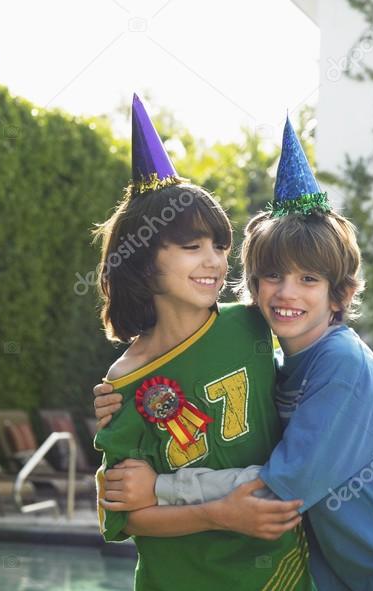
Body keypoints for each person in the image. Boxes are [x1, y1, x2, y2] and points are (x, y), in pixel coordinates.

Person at [95, 115, 373, 591]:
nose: (286, 293)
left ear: (340, 294)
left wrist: (161, 489)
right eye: (273, 275)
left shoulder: (343, 367)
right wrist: (120, 395)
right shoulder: (277, 359)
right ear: (252, 285)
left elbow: (280, 492)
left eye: (309, 279)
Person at [93, 94, 313, 591]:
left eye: (219, 245)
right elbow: (129, 515)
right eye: (192, 247)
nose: (214, 261)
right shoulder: (123, 382)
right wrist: (221, 515)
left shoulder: (254, 324)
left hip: (279, 571)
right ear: (143, 260)